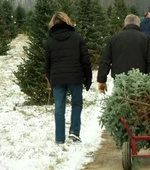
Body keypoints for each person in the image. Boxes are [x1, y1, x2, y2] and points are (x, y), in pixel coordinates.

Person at [44, 12, 92, 144]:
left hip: (57, 79)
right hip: (75, 77)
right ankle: (74, 132)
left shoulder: (50, 41)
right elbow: (85, 60)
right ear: (67, 21)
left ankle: (59, 138)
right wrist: (88, 77)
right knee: (76, 104)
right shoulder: (77, 38)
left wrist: (50, 77)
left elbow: (47, 63)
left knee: (59, 108)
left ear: (53, 23)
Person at [97, 14, 150, 93]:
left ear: (124, 25)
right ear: (139, 25)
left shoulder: (114, 39)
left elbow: (105, 60)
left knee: (120, 101)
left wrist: (101, 80)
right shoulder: (147, 39)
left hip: (119, 80)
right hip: (140, 80)